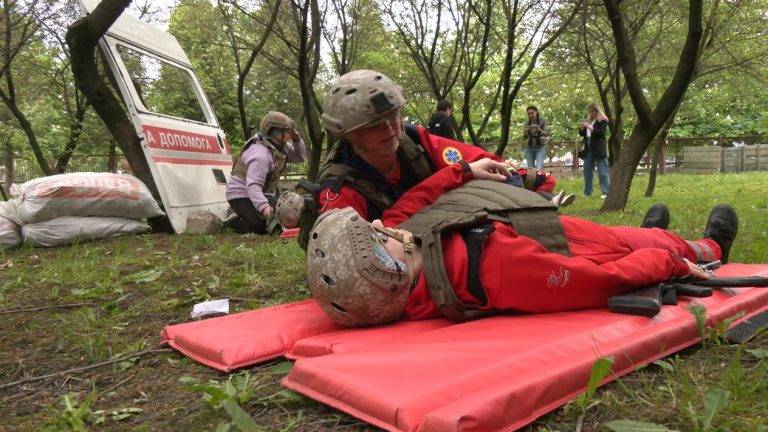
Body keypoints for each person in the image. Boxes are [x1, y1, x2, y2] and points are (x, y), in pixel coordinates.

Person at [306, 157, 738, 326]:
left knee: (644, 238)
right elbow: (596, 279)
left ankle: (657, 237)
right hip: (575, 246)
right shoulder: (488, 266)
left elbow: (414, 203)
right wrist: (669, 264)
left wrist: (464, 171)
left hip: (542, 229)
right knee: (655, 244)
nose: (382, 222)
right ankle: (710, 248)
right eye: (375, 233)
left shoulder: (414, 248)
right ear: (389, 267)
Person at [225, 111, 306, 234]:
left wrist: (297, 140)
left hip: (265, 193)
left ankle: (254, 213)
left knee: (285, 217)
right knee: (261, 226)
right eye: (288, 130)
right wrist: (266, 209)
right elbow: (253, 186)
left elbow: (300, 158)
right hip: (241, 194)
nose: (291, 133)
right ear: (275, 131)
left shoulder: (282, 146)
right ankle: (233, 221)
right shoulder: (260, 153)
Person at [578, 102, 610, 198]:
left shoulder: (603, 120)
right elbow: (583, 134)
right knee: (587, 171)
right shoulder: (589, 120)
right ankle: (588, 192)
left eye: (592, 112)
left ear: (597, 111)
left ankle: (605, 192)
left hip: (598, 148)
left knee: (602, 172)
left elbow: (600, 133)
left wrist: (588, 126)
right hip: (588, 148)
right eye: (589, 112)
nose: (590, 114)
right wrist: (581, 128)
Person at [522, 106, 550, 172]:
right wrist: (525, 133)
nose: (530, 115)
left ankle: (539, 181)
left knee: (539, 168)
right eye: (528, 114)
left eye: (532, 113)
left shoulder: (543, 120)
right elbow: (524, 137)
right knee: (531, 169)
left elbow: (546, 133)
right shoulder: (526, 123)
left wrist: (539, 130)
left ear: (536, 112)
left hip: (540, 147)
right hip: (529, 147)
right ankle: (533, 182)